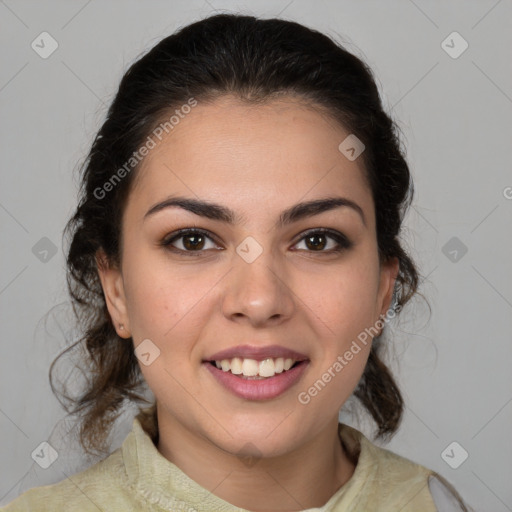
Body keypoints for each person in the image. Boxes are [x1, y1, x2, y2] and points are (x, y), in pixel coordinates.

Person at [1, 13, 473, 511]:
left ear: (383, 288)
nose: (259, 299)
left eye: (316, 240)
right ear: (115, 288)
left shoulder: (438, 503)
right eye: (192, 241)